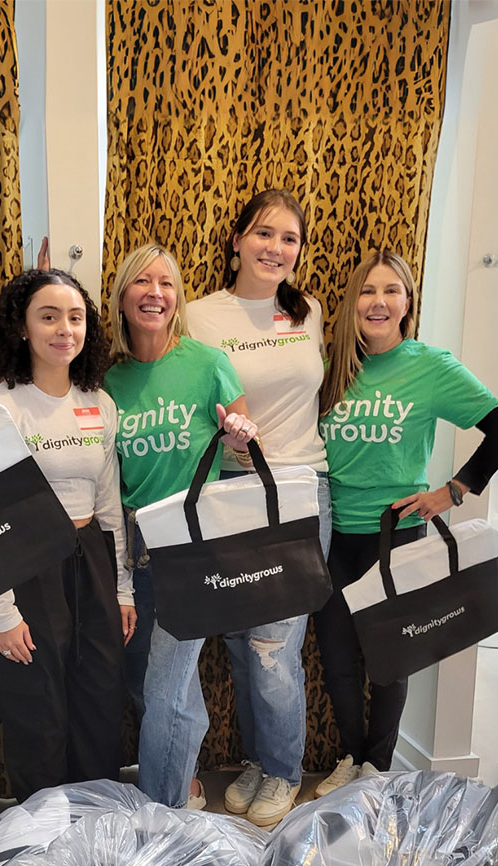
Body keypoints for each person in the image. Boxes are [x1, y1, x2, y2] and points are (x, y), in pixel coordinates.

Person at [313, 250, 498, 795]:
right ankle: (350, 757)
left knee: (390, 657)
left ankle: (377, 770)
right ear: (353, 303)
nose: (378, 302)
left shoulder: (430, 366)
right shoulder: (333, 369)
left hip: (397, 534)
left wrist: (453, 491)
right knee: (336, 656)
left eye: (391, 291)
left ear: (408, 302)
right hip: (332, 534)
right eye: (367, 291)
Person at [185, 189, 331, 827]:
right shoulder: (199, 315)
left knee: (275, 646)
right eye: (264, 234)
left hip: (300, 490)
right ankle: (259, 759)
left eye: (289, 238)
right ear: (237, 240)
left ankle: (284, 771)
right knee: (243, 645)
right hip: (231, 492)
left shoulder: (308, 311)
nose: (276, 248)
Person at [103, 243, 258, 810]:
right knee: (148, 678)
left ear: (178, 298)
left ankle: (161, 813)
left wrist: (241, 438)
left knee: (165, 686)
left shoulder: (208, 363)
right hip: (130, 542)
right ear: (122, 298)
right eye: (142, 282)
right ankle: (186, 781)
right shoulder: (108, 379)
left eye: (166, 283)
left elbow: (248, 450)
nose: (155, 293)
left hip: (192, 540)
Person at [0, 269, 135, 799]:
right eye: (48, 316)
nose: (64, 329)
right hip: (26, 564)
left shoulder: (99, 403)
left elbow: (108, 504)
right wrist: (2, 612)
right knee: (37, 708)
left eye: (75, 317)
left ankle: (96, 824)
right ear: (22, 328)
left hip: (92, 561)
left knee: (99, 698)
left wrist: (123, 590)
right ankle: (42, 835)